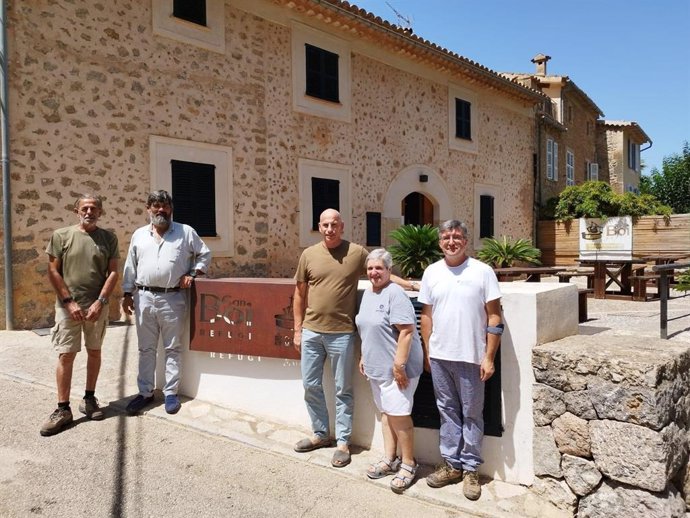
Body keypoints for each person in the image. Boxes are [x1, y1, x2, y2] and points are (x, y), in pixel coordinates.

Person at [292, 209, 417, 468]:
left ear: (342, 226)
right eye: (325, 225)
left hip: (342, 333)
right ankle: (319, 434)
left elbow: (378, 271)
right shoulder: (308, 255)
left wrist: (409, 284)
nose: (329, 229)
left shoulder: (356, 252)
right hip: (312, 331)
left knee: (342, 389)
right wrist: (297, 329)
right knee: (310, 384)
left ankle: (342, 442)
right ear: (319, 227)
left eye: (334, 224)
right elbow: (299, 294)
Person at [418, 220, 502, 501]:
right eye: (445, 237)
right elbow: (426, 316)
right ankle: (452, 465)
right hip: (440, 357)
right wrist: (428, 351)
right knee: (448, 412)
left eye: (456, 237)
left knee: (472, 414)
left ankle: (471, 470)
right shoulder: (432, 272)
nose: (451, 241)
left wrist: (489, 357)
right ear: (440, 241)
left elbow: (494, 317)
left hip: (471, 357)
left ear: (466, 241)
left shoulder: (482, 272)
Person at [121, 190, 211, 415]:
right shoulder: (139, 235)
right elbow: (130, 265)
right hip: (143, 298)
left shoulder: (185, 232)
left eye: (165, 206)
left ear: (171, 209)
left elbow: (204, 254)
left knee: (172, 347)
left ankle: (171, 393)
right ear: (148, 209)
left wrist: (194, 272)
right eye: (156, 206)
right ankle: (145, 393)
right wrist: (126, 293)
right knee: (146, 348)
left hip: (173, 298)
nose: (160, 210)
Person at [41, 194, 119, 436]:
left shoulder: (108, 238)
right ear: (77, 211)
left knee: (94, 352)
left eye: (94, 208)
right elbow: (53, 271)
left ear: (100, 212)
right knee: (67, 354)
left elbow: (113, 273)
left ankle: (89, 399)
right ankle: (62, 409)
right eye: (85, 208)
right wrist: (68, 302)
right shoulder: (61, 236)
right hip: (68, 308)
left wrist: (101, 301)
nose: (89, 212)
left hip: (97, 307)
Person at [356, 249, 424, 493]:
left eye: (379, 268)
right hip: (376, 368)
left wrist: (399, 366)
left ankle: (408, 464)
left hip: (398, 369)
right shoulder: (368, 293)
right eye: (371, 268)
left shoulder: (395, 294)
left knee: (399, 416)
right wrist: (364, 356)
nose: (374, 272)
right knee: (386, 413)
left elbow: (406, 331)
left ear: (389, 270)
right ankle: (390, 458)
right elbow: (368, 329)